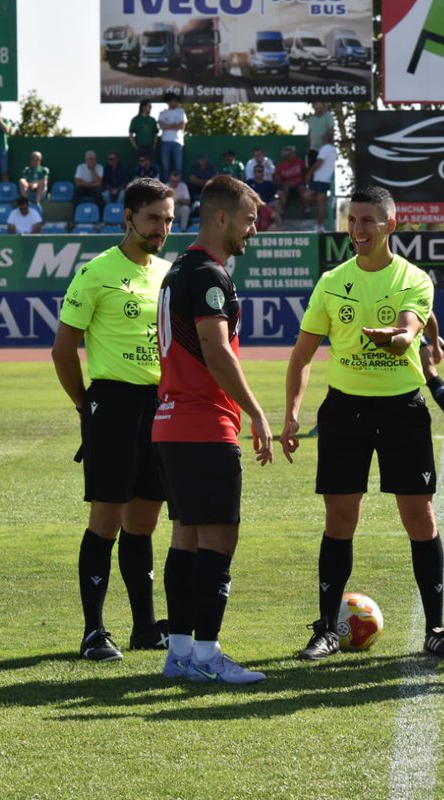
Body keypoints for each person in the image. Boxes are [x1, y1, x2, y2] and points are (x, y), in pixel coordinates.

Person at [281, 185, 444, 663]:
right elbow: (302, 354)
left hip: (402, 409)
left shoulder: (413, 278)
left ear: (390, 225)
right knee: (341, 519)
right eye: (353, 220)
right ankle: (324, 629)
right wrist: (291, 413)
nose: (358, 230)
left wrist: (399, 338)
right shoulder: (331, 282)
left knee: (419, 518)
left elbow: (407, 330)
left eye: (368, 221)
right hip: (344, 411)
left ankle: (437, 629)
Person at [51, 177, 176, 662]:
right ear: (128, 217)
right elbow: (63, 348)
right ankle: (93, 631)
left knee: (144, 520)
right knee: (106, 517)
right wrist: (86, 405)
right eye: (152, 218)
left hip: (160, 405)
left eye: (167, 219)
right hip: (113, 404)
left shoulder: (169, 273)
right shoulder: (96, 272)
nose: (162, 228)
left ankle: (144, 627)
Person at [155, 175, 273, 685]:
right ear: (221, 218)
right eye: (248, 220)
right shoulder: (207, 273)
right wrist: (255, 410)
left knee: (187, 535)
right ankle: (206, 655)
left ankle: (179, 651)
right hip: (204, 422)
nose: (252, 230)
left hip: (171, 424)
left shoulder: (177, 268)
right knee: (220, 536)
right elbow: (215, 349)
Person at [306, 130, 337, 232]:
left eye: (322, 139)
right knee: (316, 200)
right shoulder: (333, 149)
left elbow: (319, 162)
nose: (321, 141)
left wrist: (310, 173)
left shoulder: (325, 149)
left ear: (325, 139)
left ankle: (320, 226)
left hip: (320, 179)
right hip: (324, 180)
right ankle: (320, 225)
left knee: (318, 203)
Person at [157, 92, 187, 184]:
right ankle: (166, 186)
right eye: (174, 101)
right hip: (165, 141)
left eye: (177, 101)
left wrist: (168, 126)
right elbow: (161, 126)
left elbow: (182, 126)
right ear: (169, 102)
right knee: (165, 167)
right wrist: (174, 125)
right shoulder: (162, 113)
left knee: (178, 167)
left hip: (177, 142)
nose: (176, 103)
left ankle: (178, 186)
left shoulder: (180, 111)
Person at [275, 145, 309, 215]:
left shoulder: (299, 162)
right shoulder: (281, 165)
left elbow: (305, 175)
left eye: (294, 153)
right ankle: (281, 210)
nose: (294, 155)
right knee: (285, 189)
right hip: (286, 185)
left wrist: (304, 181)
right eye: (292, 154)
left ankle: (307, 209)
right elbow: (277, 181)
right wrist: (285, 183)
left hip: (299, 184)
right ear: (286, 156)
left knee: (301, 188)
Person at [245, 165, 280, 231]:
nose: (260, 173)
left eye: (262, 171)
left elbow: (276, 194)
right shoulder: (249, 183)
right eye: (258, 171)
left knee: (277, 202)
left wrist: (277, 197)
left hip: (266, 205)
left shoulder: (268, 183)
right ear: (254, 172)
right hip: (251, 205)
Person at [306, 101, 333, 168]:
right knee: (312, 170)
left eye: (320, 108)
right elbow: (309, 133)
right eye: (317, 108)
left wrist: (329, 145)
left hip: (324, 149)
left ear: (323, 108)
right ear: (314, 108)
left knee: (323, 171)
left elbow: (331, 131)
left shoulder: (328, 116)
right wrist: (308, 146)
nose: (319, 110)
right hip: (313, 149)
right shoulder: (311, 118)